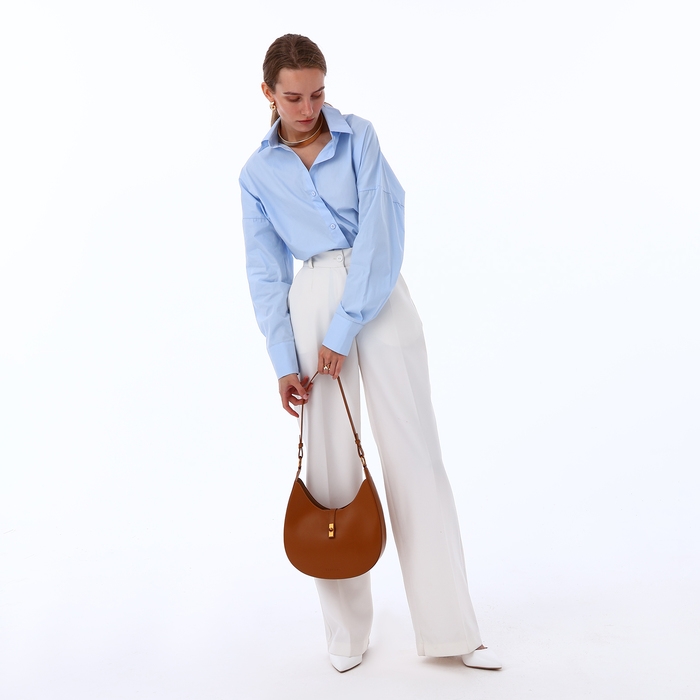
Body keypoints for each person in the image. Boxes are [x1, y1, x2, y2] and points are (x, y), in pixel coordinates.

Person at [240, 34, 501, 673]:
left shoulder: (360, 138)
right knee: (329, 471)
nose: (308, 108)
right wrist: (283, 359)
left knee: (415, 455)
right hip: (310, 300)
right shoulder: (256, 174)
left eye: (318, 93)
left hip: (376, 295)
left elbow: (382, 232)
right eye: (294, 97)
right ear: (267, 92)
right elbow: (266, 272)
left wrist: (344, 328)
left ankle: (451, 629)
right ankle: (346, 632)